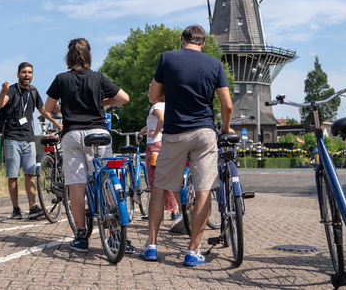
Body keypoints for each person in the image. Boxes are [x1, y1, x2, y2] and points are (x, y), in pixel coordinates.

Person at [140, 25, 233, 266]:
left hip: (174, 134)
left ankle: (151, 246)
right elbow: (227, 105)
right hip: (203, 133)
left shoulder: (167, 58)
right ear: (203, 44)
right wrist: (225, 128)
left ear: (183, 41)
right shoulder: (215, 64)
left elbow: (152, 95)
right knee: (203, 189)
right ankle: (193, 251)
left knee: (159, 187)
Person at [43, 38, 130, 252]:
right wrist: (103, 102)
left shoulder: (61, 79)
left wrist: (69, 108)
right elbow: (124, 98)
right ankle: (115, 235)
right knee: (104, 179)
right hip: (99, 133)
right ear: (88, 55)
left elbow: (48, 107)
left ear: (69, 56)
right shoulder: (99, 78)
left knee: (77, 184)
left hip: (72, 134)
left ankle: (81, 236)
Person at [0, 62, 62, 220]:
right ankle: (16, 208)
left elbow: (43, 110)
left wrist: (57, 122)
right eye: (24, 72)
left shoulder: (33, 91)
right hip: (12, 138)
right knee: (13, 175)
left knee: (30, 174)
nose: (27, 75)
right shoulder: (11, 90)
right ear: (18, 74)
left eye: (29, 72)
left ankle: (33, 207)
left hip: (29, 139)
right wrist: (2, 91)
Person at [137, 87, 181, 230]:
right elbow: (163, 119)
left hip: (155, 146)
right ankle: (176, 211)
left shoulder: (156, 106)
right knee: (171, 179)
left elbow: (161, 119)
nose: (148, 93)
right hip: (169, 144)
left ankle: (157, 214)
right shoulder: (170, 105)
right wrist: (146, 128)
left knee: (155, 181)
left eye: (150, 91)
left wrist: (155, 132)